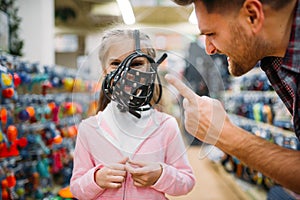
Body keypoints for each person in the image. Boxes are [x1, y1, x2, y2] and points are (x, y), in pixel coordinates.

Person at [165, 0, 300, 194]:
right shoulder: (275, 61)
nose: (209, 49)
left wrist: (223, 133)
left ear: (252, 16)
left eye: (211, 33)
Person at [70, 29, 195, 200]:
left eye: (136, 64)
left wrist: (160, 174)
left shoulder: (166, 126)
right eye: (115, 63)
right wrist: (96, 179)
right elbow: (76, 188)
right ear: (104, 70)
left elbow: (186, 181)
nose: (126, 72)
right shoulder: (89, 129)